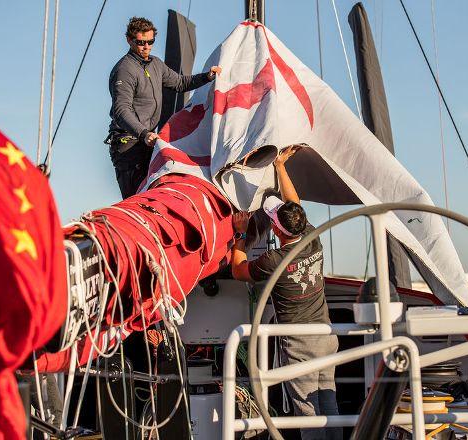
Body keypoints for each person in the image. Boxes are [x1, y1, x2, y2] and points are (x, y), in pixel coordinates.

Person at [231, 145, 342, 440]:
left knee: (307, 411)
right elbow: (296, 206)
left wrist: (240, 233)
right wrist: (280, 166)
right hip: (325, 337)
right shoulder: (312, 239)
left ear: (277, 231)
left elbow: (239, 271)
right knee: (328, 403)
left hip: (300, 345)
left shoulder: (273, 262)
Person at [107, 16, 222, 199]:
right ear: (129, 40)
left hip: (148, 142)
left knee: (153, 197)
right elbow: (121, 110)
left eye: (150, 42)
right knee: (137, 201)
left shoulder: (155, 64)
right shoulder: (124, 69)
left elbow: (179, 83)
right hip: (129, 145)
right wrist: (144, 134)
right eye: (141, 42)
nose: (146, 47)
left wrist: (207, 77)